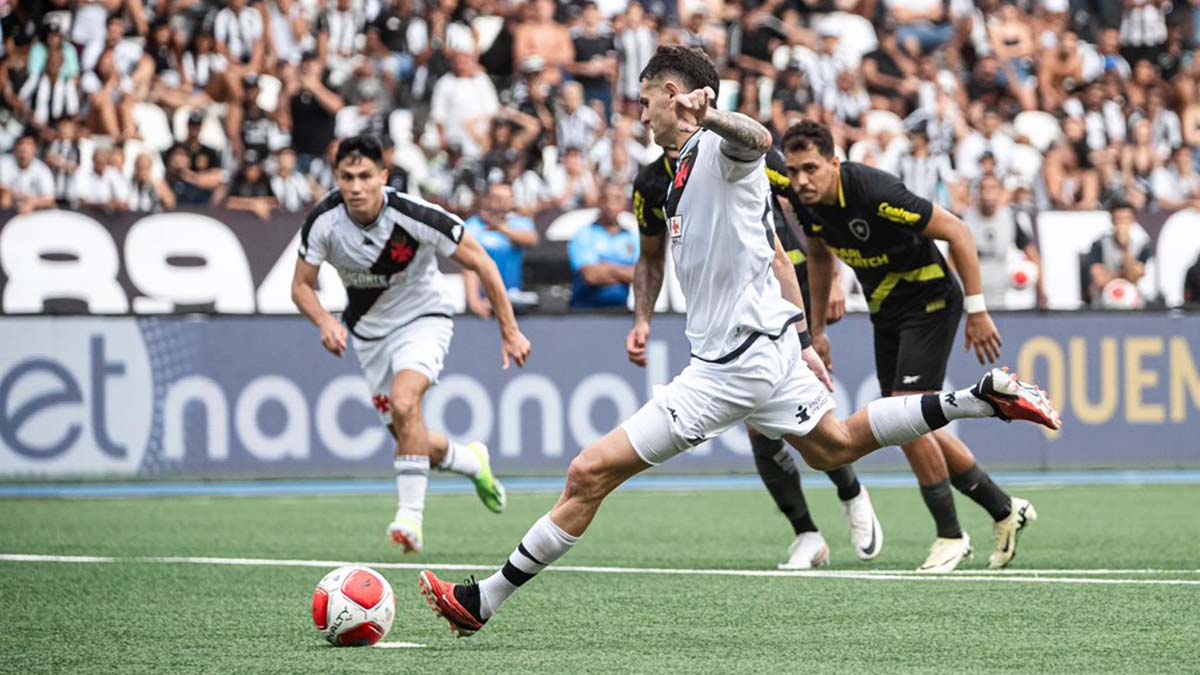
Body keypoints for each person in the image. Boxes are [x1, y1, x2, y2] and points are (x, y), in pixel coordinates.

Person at [418, 46, 1060, 636]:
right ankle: (980, 398)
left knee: (589, 472)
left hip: (731, 367)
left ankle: (483, 603)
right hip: (770, 349)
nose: (641, 115)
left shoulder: (717, 152)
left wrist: (713, 114)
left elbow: (757, 138)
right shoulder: (672, 174)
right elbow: (777, 257)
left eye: (646, 101)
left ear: (675, 95)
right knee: (834, 447)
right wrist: (804, 338)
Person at [782, 119, 1042, 573]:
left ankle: (950, 536)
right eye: (793, 171)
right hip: (888, 308)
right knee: (904, 422)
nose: (801, 181)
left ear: (833, 163)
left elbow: (957, 231)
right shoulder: (806, 205)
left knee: (902, 412)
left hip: (931, 299)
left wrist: (978, 311)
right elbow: (821, 258)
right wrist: (817, 329)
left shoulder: (874, 191)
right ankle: (1004, 509)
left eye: (810, 169)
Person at [632, 145, 879, 570]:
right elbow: (650, 258)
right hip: (735, 303)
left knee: (807, 419)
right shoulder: (652, 184)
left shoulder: (738, 153)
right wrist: (642, 320)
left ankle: (850, 491)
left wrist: (831, 276)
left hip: (787, 283)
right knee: (761, 427)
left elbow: (806, 203)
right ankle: (807, 533)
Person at [291, 134, 531, 555]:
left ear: (383, 175)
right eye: (347, 177)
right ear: (337, 178)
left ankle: (410, 520)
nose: (356, 186)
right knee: (408, 433)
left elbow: (482, 263)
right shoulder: (323, 221)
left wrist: (509, 330)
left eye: (366, 175)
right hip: (368, 335)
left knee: (406, 404)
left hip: (424, 319)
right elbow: (301, 287)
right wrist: (324, 321)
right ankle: (471, 461)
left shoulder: (416, 215)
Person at [962, 174, 1046, 310]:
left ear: (1000, 192)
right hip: (969, 289)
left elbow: (1032, 254)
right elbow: (952, 259)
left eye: (992, 188)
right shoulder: (965, 219)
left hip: (999, 289)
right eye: (983, 188)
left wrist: (1041, 291)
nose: (987, 193)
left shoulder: (1010, 218)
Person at [463, 182, 540, 318]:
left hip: (513, 299)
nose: (503, 204)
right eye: (498, 199)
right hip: (485, 301)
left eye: (508, 199)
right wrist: (474, 301)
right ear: (486, 200)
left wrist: (501, 228)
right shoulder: (472, 227)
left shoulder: (519, 222)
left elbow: (531, 240)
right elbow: (469, 265)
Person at [568, 181, 639, 309]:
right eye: (606, 199)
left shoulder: (633, 238)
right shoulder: (583, 235)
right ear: (599, 202)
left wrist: (607, 268)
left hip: (621, 314)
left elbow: (641, 276)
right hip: (584, 313)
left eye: (617, 199)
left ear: (624, 203)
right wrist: (624, 274)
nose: (611, 205)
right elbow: (591, 276)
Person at [1085, 201, 1152, 308]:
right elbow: (1099, 280)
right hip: (1105, 302)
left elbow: (1135, 276)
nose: (1122, 224)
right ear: (1112, 221)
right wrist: (1122, 275)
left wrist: (1125, 249)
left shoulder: (1142, 246)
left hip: (1132, 303)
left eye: (1126, 219)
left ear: (1133, 221)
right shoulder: (1100, 245)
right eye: (1118, 219)